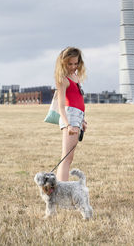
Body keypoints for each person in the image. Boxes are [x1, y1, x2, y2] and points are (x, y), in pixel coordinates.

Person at [55, 47, 87, 181]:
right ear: (63, 63)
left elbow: (79, 99)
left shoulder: (76, 77)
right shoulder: (63, 79)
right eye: (70, 64)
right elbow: (61, 106)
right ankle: (60, 191)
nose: (73, 67)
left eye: (76, 63)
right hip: (70, 117)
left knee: (69, 157)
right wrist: (68, 125)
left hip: (77, 117)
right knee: (66, 158)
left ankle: (60, 190)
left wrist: (83, 120)